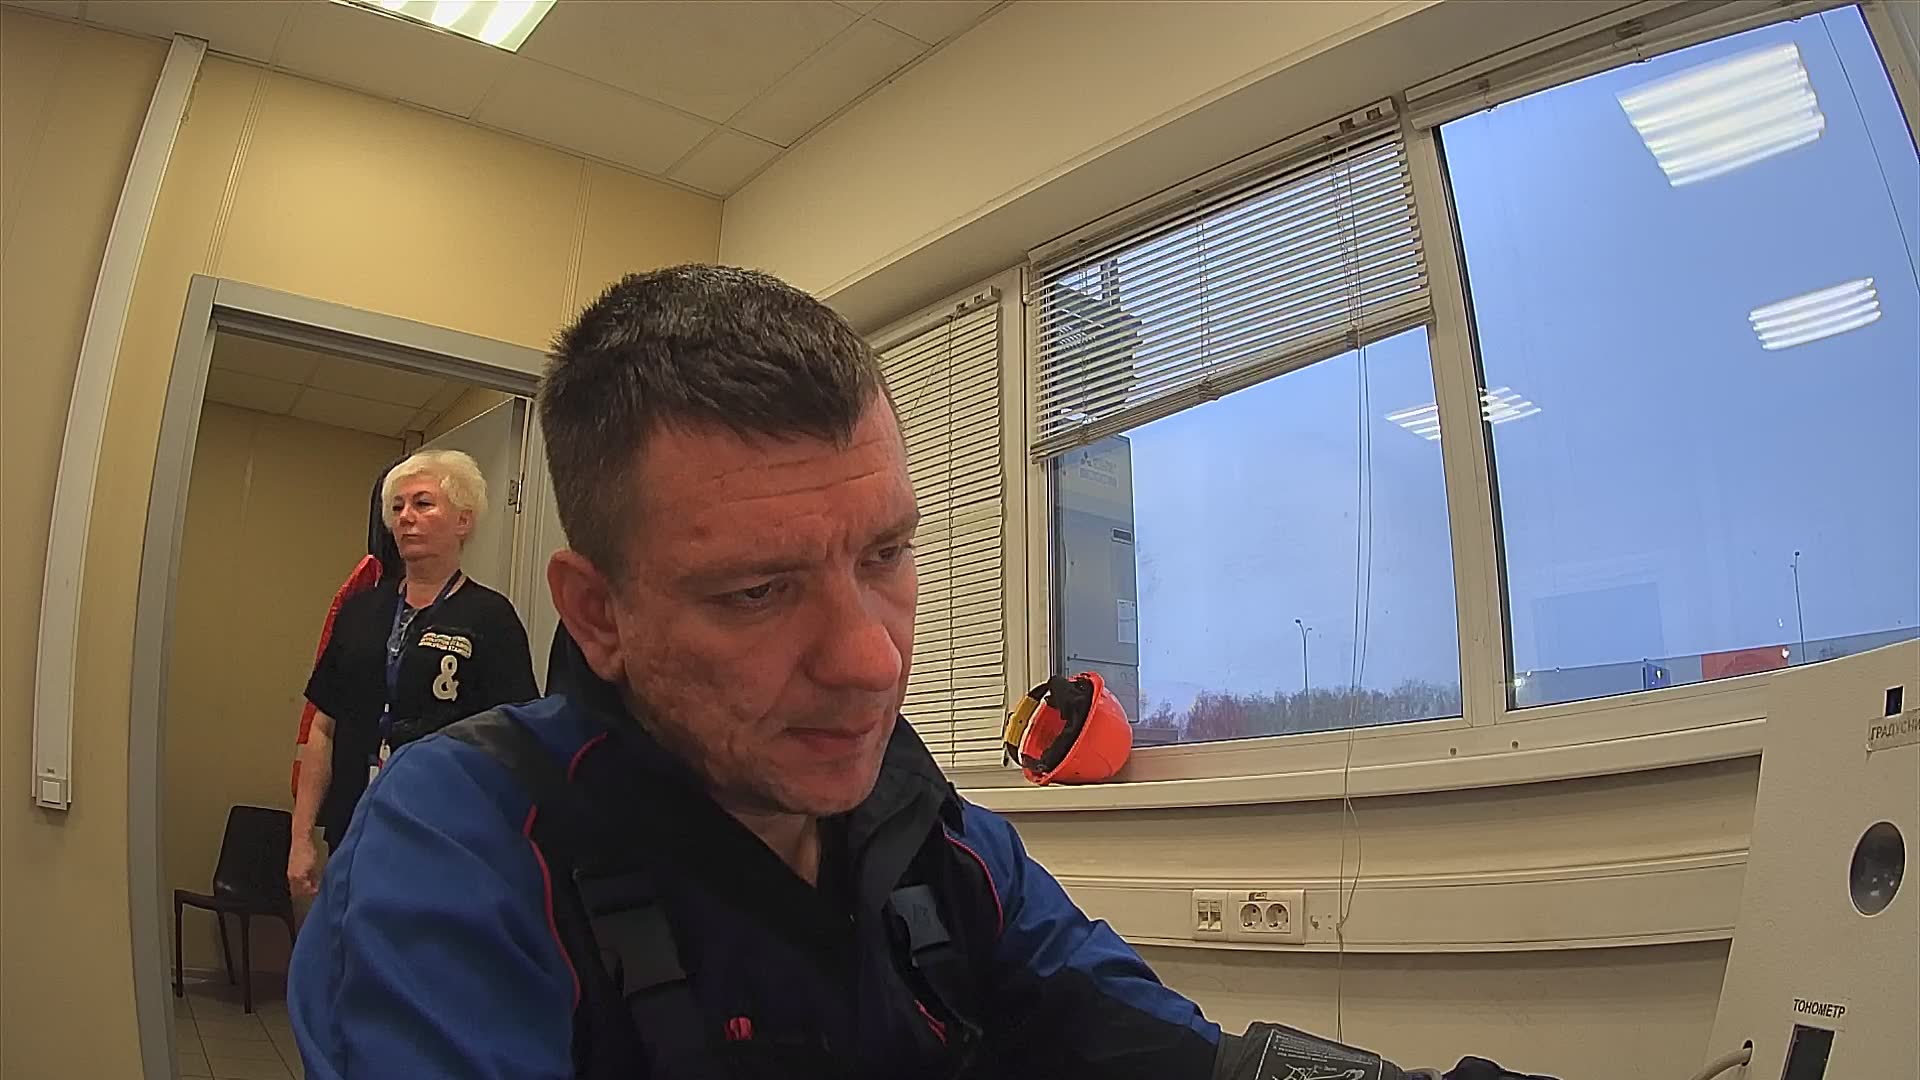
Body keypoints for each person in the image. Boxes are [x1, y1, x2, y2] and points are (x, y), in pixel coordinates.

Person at [288, 266, 1558, 1080]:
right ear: (598, 614)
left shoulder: (924, 826)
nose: (870, 659)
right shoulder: (457, 853)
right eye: (756, 591)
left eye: (885, 553)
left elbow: (1159, 1052)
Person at [287, 449, 539, 900]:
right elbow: (322, 728)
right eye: (398, 507)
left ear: (463, 521)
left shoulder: (490, 617)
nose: (405, 517)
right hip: (354, 830)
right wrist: (301, 837)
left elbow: (515, 743)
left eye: (423, 504)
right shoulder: (360, 612)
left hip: (445, 836)